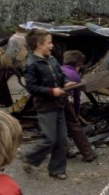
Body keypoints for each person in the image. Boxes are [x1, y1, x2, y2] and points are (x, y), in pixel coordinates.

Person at [21, 28, 75, 180]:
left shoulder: (51, 59)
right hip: (45, 107)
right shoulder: (32, 65)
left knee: (62, 140)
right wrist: (51, 91)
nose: (52, 46)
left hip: (59, 104)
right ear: (39, 44)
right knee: (49, 139)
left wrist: (66, 82)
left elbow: (61, 74)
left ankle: (57, 170)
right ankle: (29, 157)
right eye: (49, 43)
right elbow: (31, 87)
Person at [61, 50, 98, 163]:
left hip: (51, 102)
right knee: (75, 127)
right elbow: (77, 98)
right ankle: (88, 154)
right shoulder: (75, 76)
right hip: (64, 101)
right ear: (78, 65)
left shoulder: (58, 69)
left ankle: (64, 152)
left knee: (59, 128)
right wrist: (76, 114)